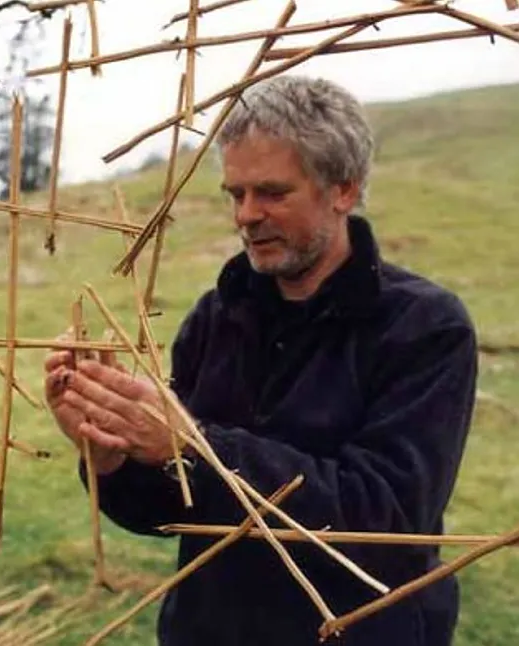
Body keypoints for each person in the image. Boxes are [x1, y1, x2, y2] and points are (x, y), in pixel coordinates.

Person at [44, 75, 477, 646]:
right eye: (235, 194)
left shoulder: (425, 328)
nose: (246, 215)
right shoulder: (215, 316)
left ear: (342, 190)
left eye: (272, 193)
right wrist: (112, 460)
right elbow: (172, 512)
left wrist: (195, 447)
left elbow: (386, 521)